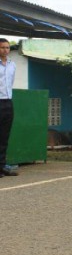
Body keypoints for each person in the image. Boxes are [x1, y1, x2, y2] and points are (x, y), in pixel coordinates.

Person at [0, 38, 18, 177]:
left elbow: (10, 83)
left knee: (4, 136)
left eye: (7, 47)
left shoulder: (13, 65)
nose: (5, 50)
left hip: (8, 102)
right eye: (2, 47)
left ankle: (2, 166)